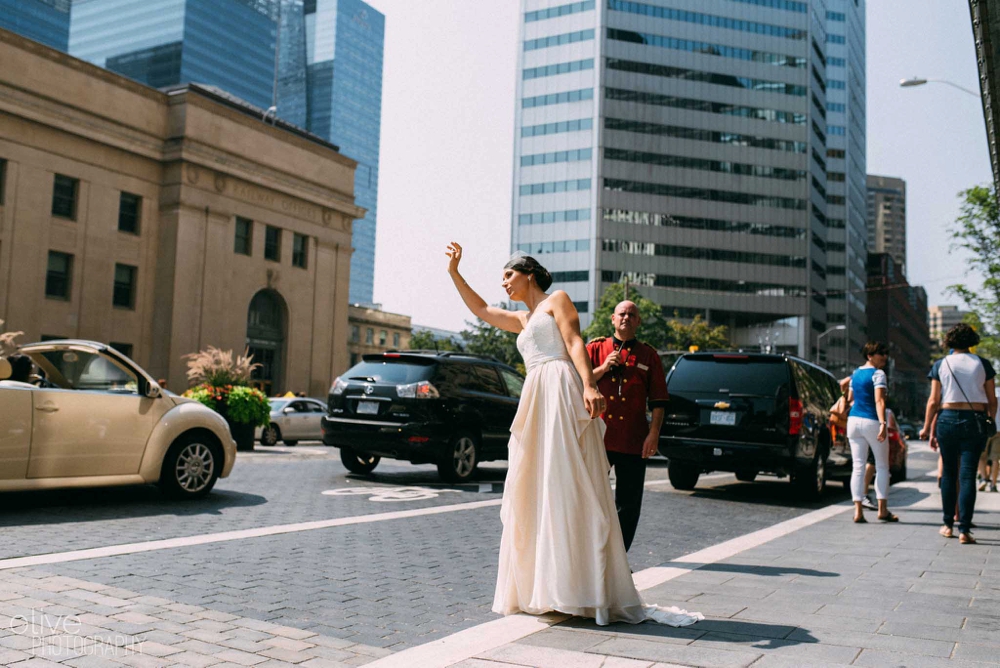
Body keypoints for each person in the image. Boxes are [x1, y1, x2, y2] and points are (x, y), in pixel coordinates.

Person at [445, 243, 702, 627]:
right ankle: (548, 587)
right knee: (536, 486)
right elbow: (481, 310)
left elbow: (575, 343)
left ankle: (581, 587)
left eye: (508, 275)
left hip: (560, 390)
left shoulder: (557, 301)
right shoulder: (522, 318)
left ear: (528, 273)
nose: (504, 283)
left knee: (569, 483)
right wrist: (455, 274)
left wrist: (588, 384)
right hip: (535, 397)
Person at [586, 301, 668, 552]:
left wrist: (653, 434)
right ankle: (591, 557)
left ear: (638, 321)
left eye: (632, 315)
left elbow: (658, 401)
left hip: (633, 439)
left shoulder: (648, 355)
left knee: (628, 505)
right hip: (598, 437)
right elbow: (578, 383)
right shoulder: (595, 348)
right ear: (612, 319)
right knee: (591, 500)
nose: (626, 318)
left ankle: (619, 561)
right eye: (622, 314)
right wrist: (602, 367)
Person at [919, 323, 997, 544]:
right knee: (968, 475)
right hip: (975, 420)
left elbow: (934, 400)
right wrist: (990, 419)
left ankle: (947, 525)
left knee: (949, 474)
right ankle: (964, 529)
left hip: (947, 419)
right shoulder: (983, 364)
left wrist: (926, 427)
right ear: (972, 341)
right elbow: (992, 400)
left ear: (949, 341)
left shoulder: (941, 364)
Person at [846, 342, 898, 523]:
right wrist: (883, 423)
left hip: (853, 421)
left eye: (884, 353)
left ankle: (858, 511)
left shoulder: (856, 373)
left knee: (858, 466)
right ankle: (882, 510)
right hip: (871, 421)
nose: (884, 357)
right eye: (880, 353)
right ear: (869, 355)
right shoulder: (878, 374)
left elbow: (850, 398)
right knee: (882, 466)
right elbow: (879, 401)